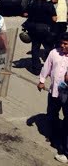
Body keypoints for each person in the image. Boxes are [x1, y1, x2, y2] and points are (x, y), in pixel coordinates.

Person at [38, 33, 68, 163]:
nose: (63, 46)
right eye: (62, 43)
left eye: (66, 44)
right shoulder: (54, 53)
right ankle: (53, 135)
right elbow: (47, 67)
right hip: (54, 91)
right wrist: (42, 80)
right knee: (52, 114)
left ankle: (63, 140)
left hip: (66, 95)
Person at [24, 0, 57, 73]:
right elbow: (54, 19)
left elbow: (26, 13)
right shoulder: (49, 5)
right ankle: (53, 67)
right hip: (45, 30)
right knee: (50, 48)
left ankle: (36, 69)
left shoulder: (32, 3)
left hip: (33, 29)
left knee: (35, 48)